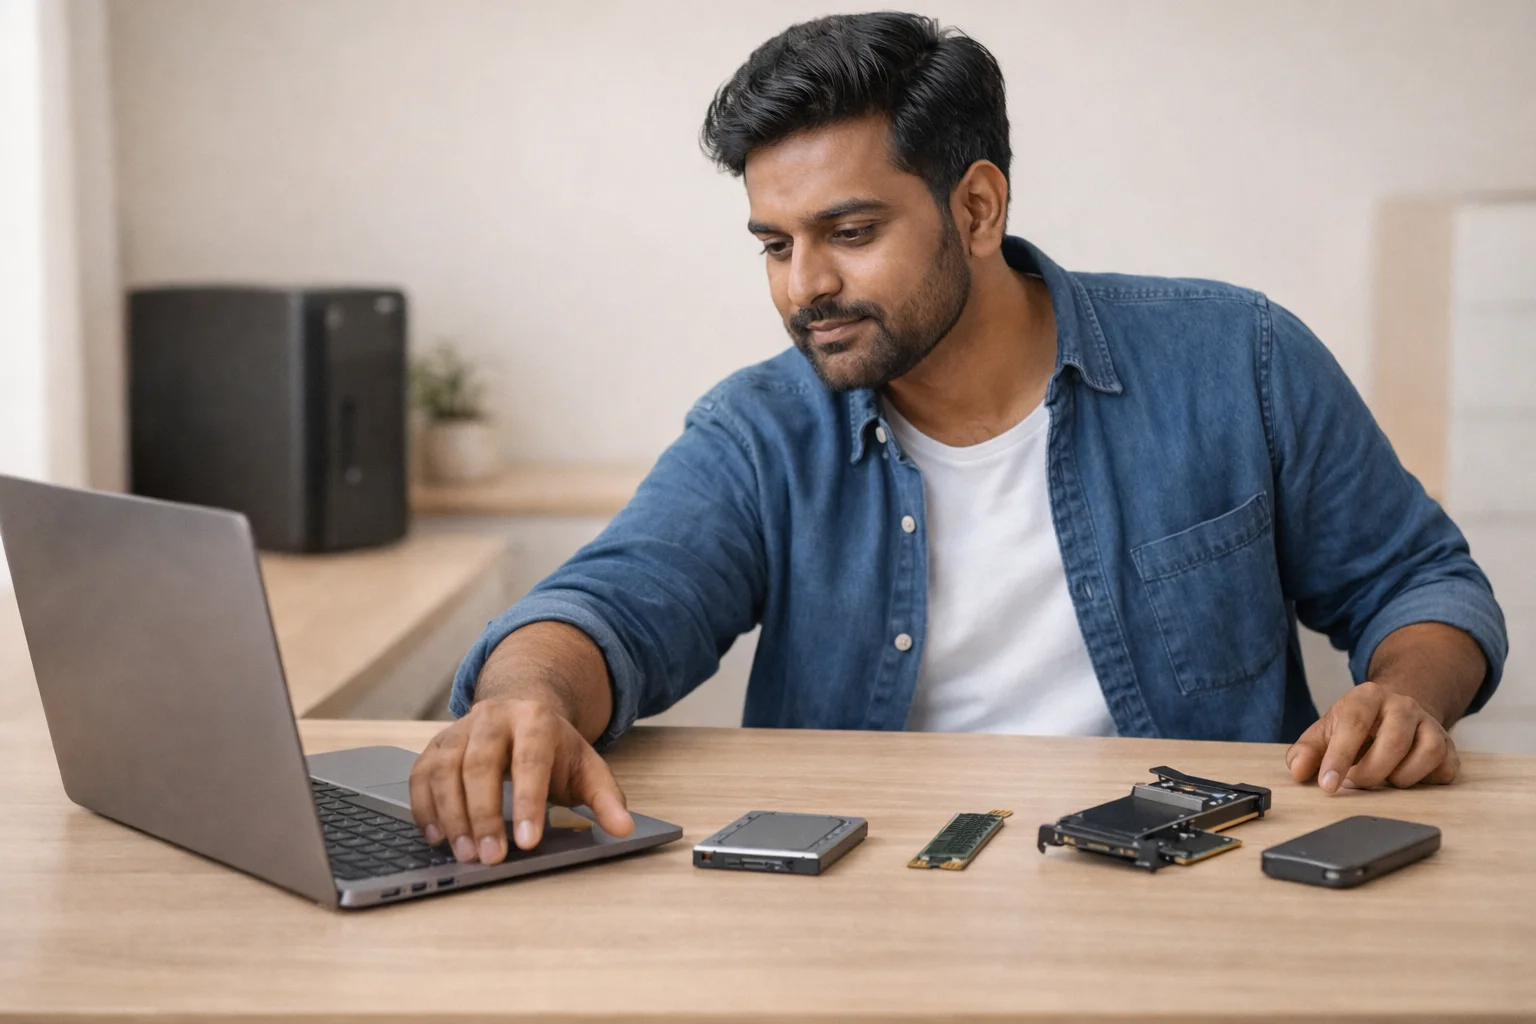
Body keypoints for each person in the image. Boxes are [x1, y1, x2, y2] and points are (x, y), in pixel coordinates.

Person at [409, 12, 1507, 868]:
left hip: (1198, 888)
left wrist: (1408, 696)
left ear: (977, 208)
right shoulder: (762, 428)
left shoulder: (1239, 359)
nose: (806, 286)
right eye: (775, 244)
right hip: (881, 900)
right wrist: (528, 701)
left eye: (849, 231)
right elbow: (607, 606)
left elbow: (1421, 583)